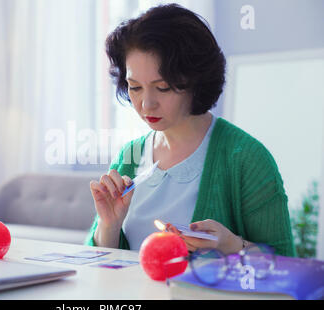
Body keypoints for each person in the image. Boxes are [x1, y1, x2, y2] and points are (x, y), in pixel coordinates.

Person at [85, 3, 296, 257]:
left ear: (195, 81)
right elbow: (99, 267)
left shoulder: (245, 158)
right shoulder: (130, 155)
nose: (146, 104)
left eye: (162, 87)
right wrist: (109, 225)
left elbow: (285, 264)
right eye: (135, 87)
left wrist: (231, 245)